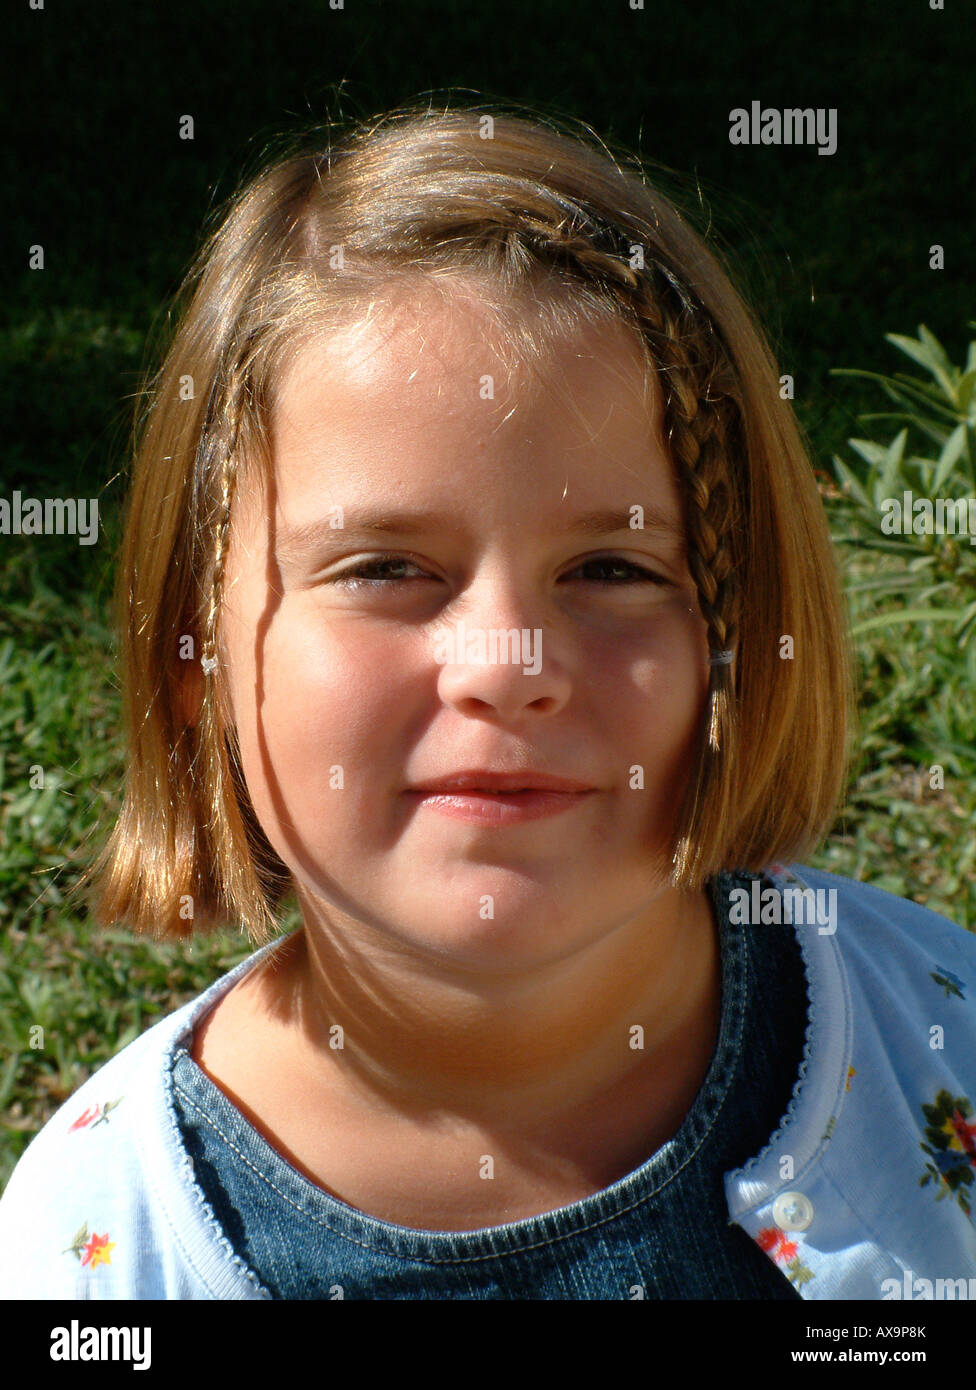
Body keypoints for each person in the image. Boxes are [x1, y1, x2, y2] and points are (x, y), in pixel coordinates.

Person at [1, 99, 974, 1302]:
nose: (510, 661)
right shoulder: (96, 1256)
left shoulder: (936, 1040)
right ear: (193, 654)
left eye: (611, 568)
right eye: (385, 568)